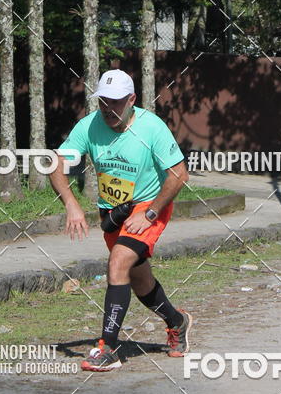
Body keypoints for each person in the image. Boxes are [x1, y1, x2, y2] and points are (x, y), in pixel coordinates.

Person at [49, 69, 193, 372]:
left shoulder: (152, 127)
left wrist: (151, 212)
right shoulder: (89, 126)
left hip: (148, 208)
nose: (108, 109)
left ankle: (108, 348)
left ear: (132, 100)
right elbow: (56, 164)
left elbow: (179, 175)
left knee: (117, 263)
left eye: (116, 103)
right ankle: (177, 321)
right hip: (113, 212)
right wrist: (72, 204)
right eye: (103, 102)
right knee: (139, 281)